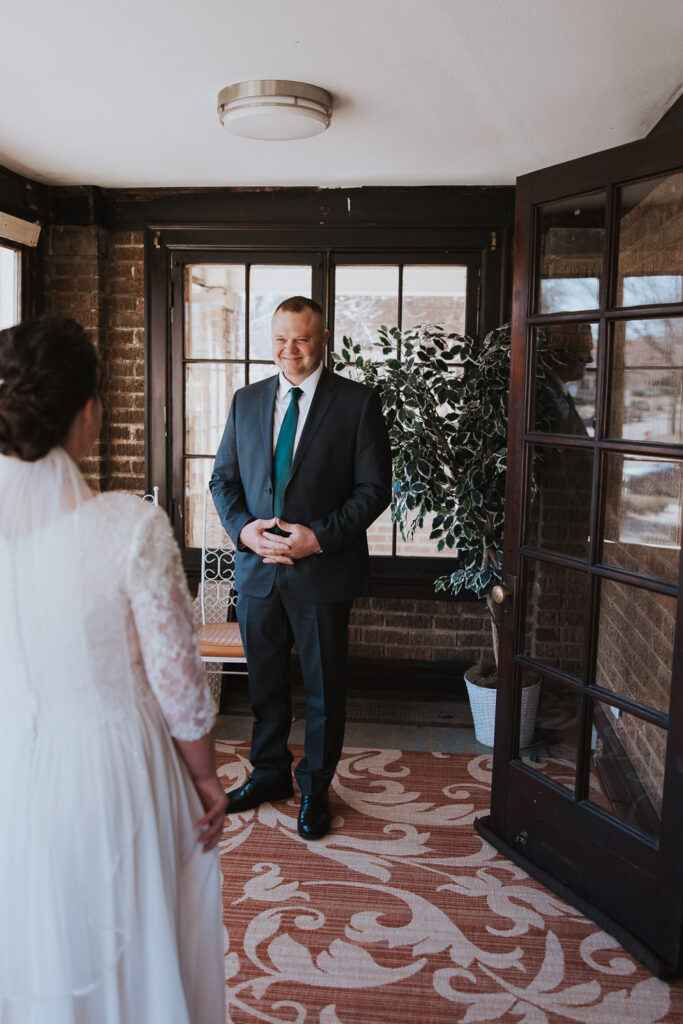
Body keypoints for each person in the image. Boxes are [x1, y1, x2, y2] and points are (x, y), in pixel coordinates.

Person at [0, 317, 226, 1024]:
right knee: (135, 938)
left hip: (14, 761)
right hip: (111, 766)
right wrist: (203, 775)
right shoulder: (129, 526)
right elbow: (177, 680)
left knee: (42, 934)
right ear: (89, 411)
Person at [210, 296, 391, 841]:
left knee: (322, 688)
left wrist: (320, 539)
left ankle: (314, 786)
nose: (289, 351)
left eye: (302, 339)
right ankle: (268, 775)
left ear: (324, 338)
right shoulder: (246, 401)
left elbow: (374, 490)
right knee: (264, 685)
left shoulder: (357, 404)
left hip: (322, 572)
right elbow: (224, 481)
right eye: (280, 340)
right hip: (258, 571)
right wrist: (243, 530)